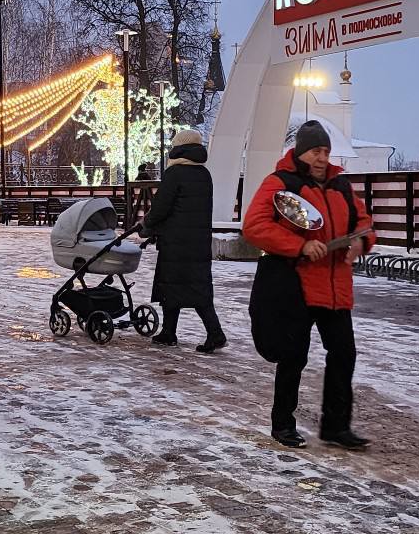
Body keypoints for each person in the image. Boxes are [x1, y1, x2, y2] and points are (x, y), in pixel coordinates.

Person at [243, 120, 376, 450]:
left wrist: (362, 241)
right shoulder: (280, 182)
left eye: (326, 151)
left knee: (344, 354)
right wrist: (299, 246)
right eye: (316, 151)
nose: (322, 158)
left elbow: (363, 222)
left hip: (335, 287)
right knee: (294, 356)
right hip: (296, 285)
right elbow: (254, 226)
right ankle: (283, 424)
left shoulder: (341, 186)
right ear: (301, 152)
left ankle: (336, 427)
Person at [142, 129, 226, 353]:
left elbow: (161, 207)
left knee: (173, 285)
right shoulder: (204, 174)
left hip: (176, 241)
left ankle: (211, 333)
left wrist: (147, 224)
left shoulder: (175, 173)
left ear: (178, 148)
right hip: (198, 242)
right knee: (195, 288)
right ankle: (172, 331)